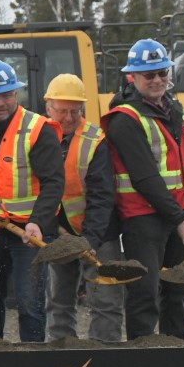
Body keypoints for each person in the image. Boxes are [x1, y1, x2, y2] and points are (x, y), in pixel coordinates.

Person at [101, 39, 184, 340]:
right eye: (149, 75)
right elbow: (145, 177)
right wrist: (179, 218)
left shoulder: (177, 110)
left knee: (177, 290)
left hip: (177, 211)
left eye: (162, 72)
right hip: (143, 218)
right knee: (144, 292)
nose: (157, 80)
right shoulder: (124, 120)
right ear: (132, 77)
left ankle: (176, 352)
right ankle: (142, 358)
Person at [0, 60, 64, 342]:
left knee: (29, 302)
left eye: (6, 95)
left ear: (16, 95)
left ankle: (32, 366)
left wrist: (38, 222)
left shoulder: (38, 128)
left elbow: (53, 183)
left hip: (28, 232)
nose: (0, 102)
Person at [41, 74, 122, 343]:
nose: (68, 117)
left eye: (74, 111)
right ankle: (62, 352)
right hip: (59, 231)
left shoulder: (94, 139)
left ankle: (105, 354)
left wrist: (90, 239)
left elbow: (102, 194)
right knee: (59, 299)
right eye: (62, 111)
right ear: (48, 108)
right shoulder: (38, 136)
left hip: (98, 233)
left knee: (106, 299)